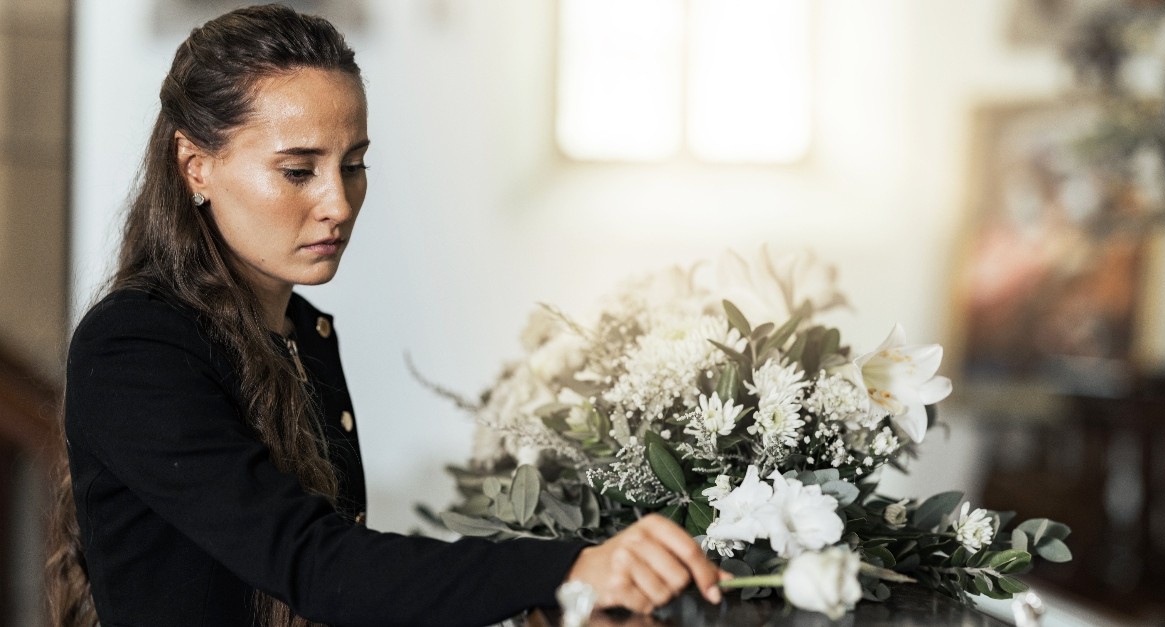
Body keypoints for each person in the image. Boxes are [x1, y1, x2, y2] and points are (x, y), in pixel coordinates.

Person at [45, 5, 724, 626]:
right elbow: (316, 565)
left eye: (354, 163)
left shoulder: (300, 334)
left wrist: (557, 597)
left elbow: (347, 582)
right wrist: (565, 568)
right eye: (297, 170)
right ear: (196, 165)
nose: (339, 203)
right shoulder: (134, 345)